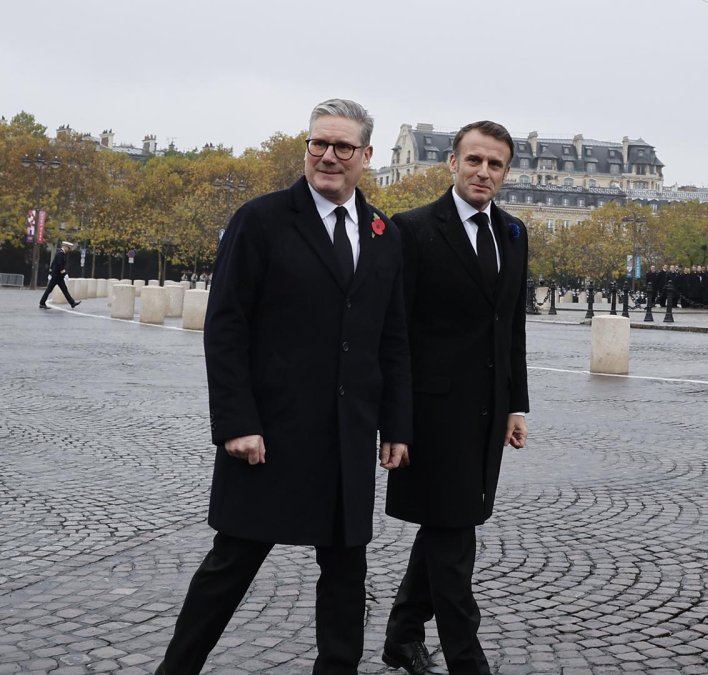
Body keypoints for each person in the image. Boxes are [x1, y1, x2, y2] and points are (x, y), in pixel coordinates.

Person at [156, 98, 413, 674]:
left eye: (342, 147)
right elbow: (225, 328)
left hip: (348, 434)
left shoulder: (383, 235)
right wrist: (237, 423)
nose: (327, 156)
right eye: (317, 143)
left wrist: (396, 422)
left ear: (366, 156)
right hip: (269, 433)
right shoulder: (260, 219)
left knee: (347, 576)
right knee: (231, 567)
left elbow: (392, 338)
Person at [382, 120, 530, 675]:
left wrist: (517, 405)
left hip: (489, 414)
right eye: (474, 161)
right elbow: (393, 333)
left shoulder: (513, 233)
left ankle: (401, 636)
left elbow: (510, 325)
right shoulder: (412, 229)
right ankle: (468, 662)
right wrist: (394, 420)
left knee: (449, 525)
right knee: (454, 537)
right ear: (452, 163)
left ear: (507, 172)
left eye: (495, 164)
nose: (483, 172)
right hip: (432, 414)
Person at [38, 241, 80, 309]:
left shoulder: (61, 253)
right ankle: (42, 303)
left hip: (58, 276)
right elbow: (60, 265)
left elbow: (53, 263)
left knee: (64, 290)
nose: (69, 250)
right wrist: (65, 274)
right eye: (68, 248)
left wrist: (50, 272)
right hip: (56, 276)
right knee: (49, 290)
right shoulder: (60, 254)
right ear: (65, 247)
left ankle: (72, 303)